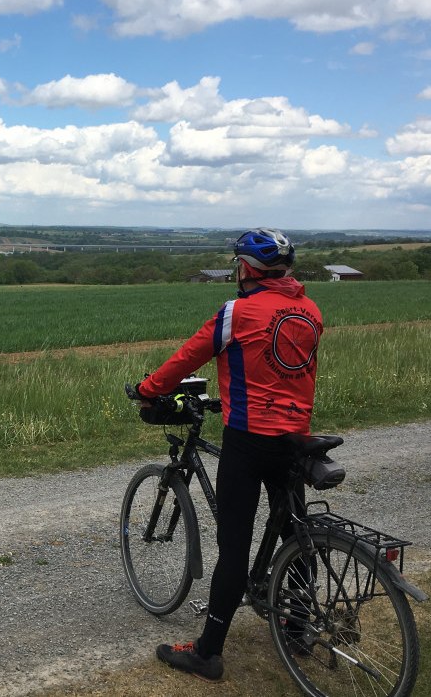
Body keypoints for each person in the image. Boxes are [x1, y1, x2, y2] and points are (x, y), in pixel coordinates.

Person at [136, 229, 323, 682]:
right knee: (293, 530)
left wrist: (148, 388)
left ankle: (208, 652)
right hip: (296, 437)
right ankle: (298, 627)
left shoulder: (237, 311)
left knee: (234, 546)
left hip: (249, 438)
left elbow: (188, 357)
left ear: (246, 269)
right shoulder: (310, 309)